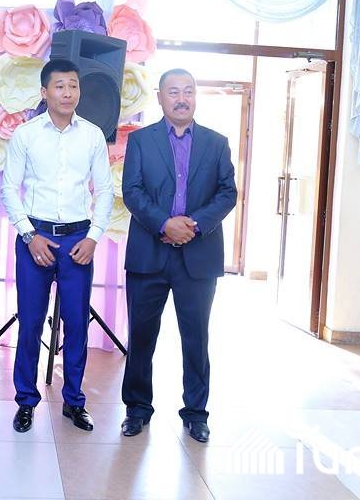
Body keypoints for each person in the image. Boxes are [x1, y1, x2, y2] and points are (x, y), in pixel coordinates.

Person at [119, 69, 237, 443]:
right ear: (160, 97)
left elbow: (227, 193)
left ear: (196, 96)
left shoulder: (217, 143)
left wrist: (194, 226)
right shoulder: (141, 141)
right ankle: (137, 409)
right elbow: (132, 190)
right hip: (148, 254)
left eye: (188, 91)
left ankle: (196, 413)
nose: (182, 98)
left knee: (196, 338)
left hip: (198, 256)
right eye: (174, 92)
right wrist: (164, 224)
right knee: (141, 337)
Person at [1, 59, 114, 434]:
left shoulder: (93, 135)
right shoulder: (26, 134)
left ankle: (74, 402)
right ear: (44, 91)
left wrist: (94, 236)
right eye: (60, 86)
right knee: (30, 322)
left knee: (77, 323)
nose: (68, 93)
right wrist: (28, 235)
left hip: (79, 239)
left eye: (73, 86)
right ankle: (26, 401)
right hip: (35, 238)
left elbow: (105, 190)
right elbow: (8, 188)